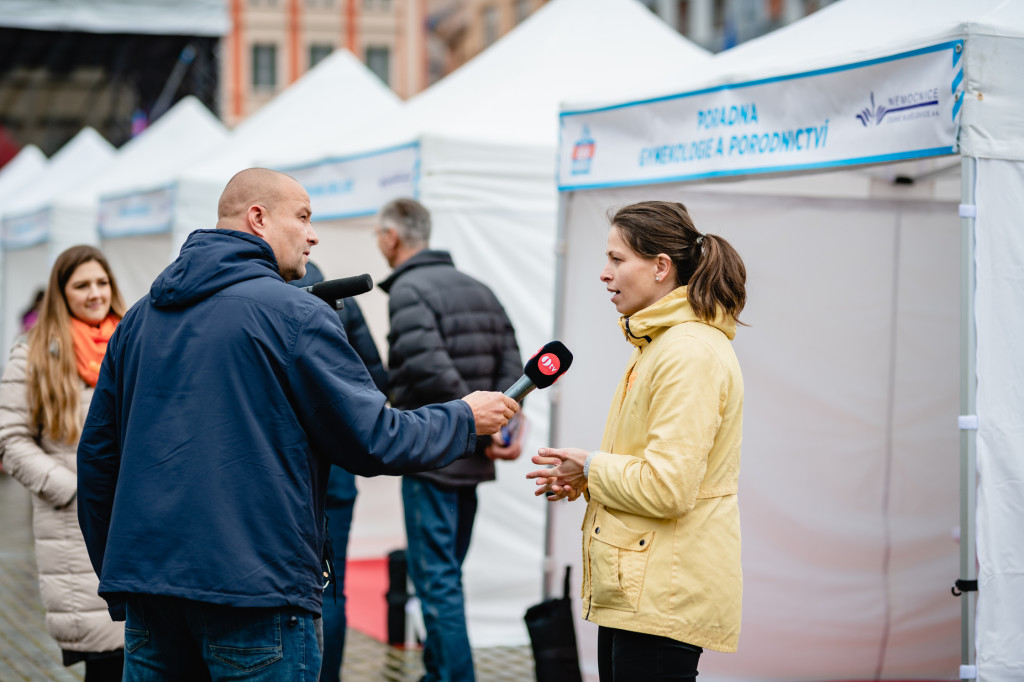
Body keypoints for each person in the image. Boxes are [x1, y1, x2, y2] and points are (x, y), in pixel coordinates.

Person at [76, 168, 518, 681]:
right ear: (258, 218)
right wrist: (465, 417)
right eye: (304, 217)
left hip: (153, 594)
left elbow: (97, 459)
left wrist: (121, 574)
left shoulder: (137, 319)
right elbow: (375, 438)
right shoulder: (292, 315)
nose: (313, 234)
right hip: (256, 597)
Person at [526, 201, 746, 682]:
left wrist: (590, 467)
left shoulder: (687, 352)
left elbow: (668, 486)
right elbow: (648, 466)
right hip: (642, 590)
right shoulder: (659, 343)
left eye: (617, 259)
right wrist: (587, 478)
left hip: (663, 590)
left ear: (662, 267)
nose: (604, 275)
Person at [375, 197, 523, 682]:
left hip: (432, 457)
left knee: (437, 581)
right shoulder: (479, 287)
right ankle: (439, 671)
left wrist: (477, 424)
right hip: (471, 459)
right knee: (446, 577)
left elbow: (428, 368)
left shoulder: (408, 291)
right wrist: (498, 427)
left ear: (392, 238)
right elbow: (513, 365)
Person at [0, 245, 127, 681]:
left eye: (101, 282)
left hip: (139, 519)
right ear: (60, 292)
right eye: (82, 285)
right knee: (107, 660)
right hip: (75, 529)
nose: (95, 293)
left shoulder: (133, 338)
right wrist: (70, 488)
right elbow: (9, 438)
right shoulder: (35, 353)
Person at [288, 261, 389, 682]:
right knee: (332, 587)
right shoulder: (323, 280)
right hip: (335, 465)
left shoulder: (249, 289)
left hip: (285, 470)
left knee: (288, 593)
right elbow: (375, 376)